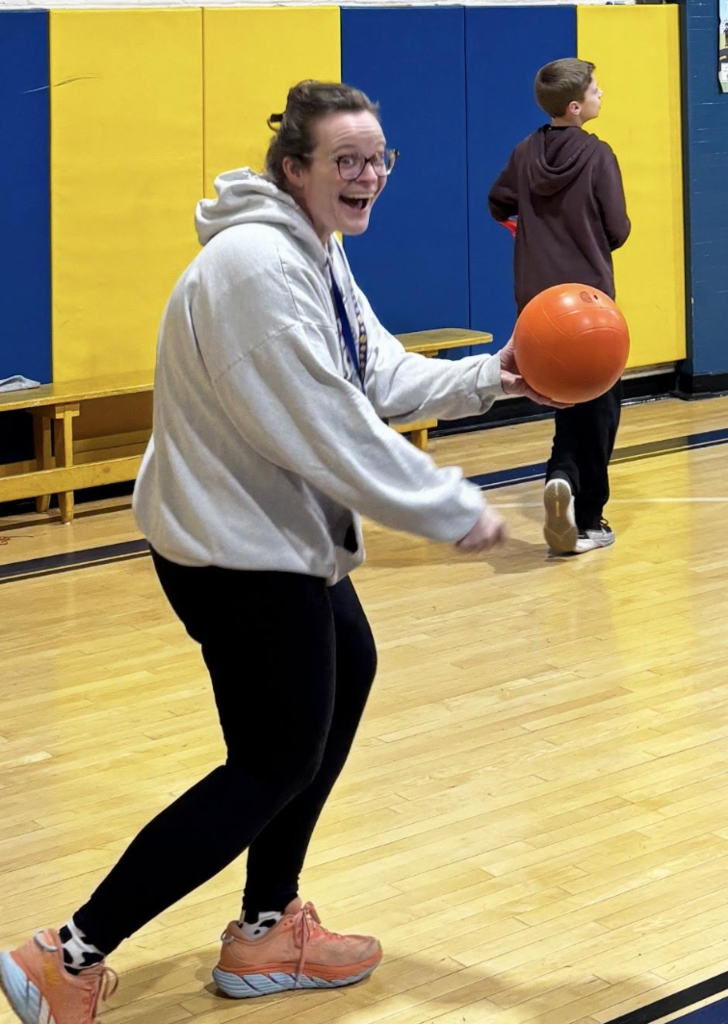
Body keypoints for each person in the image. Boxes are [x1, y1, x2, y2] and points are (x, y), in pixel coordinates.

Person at [0, 80, 560, 1024]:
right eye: (347, 160)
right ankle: (68, 953)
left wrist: (489, 376)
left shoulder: (312, 250)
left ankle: (266, 928)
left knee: (347, 672)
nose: (369, 176)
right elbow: (331, 428)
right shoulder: (257, 270)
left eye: (379, 157)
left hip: (269, 537)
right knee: (269, 762)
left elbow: (372, 370)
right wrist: (445, 506)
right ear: (293, 167)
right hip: (235, 554)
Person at [489, 58, 631, 555]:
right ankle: (589, 520)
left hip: (538, 306)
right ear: (575, 107)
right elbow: (618, 229)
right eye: (595, 89)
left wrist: (528, 228)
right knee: (600, 402)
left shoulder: (526, 151)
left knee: (566, 401)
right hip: (588, 302)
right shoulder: (598, 156)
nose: (600, 93)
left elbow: (497, 201)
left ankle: (561, 479)